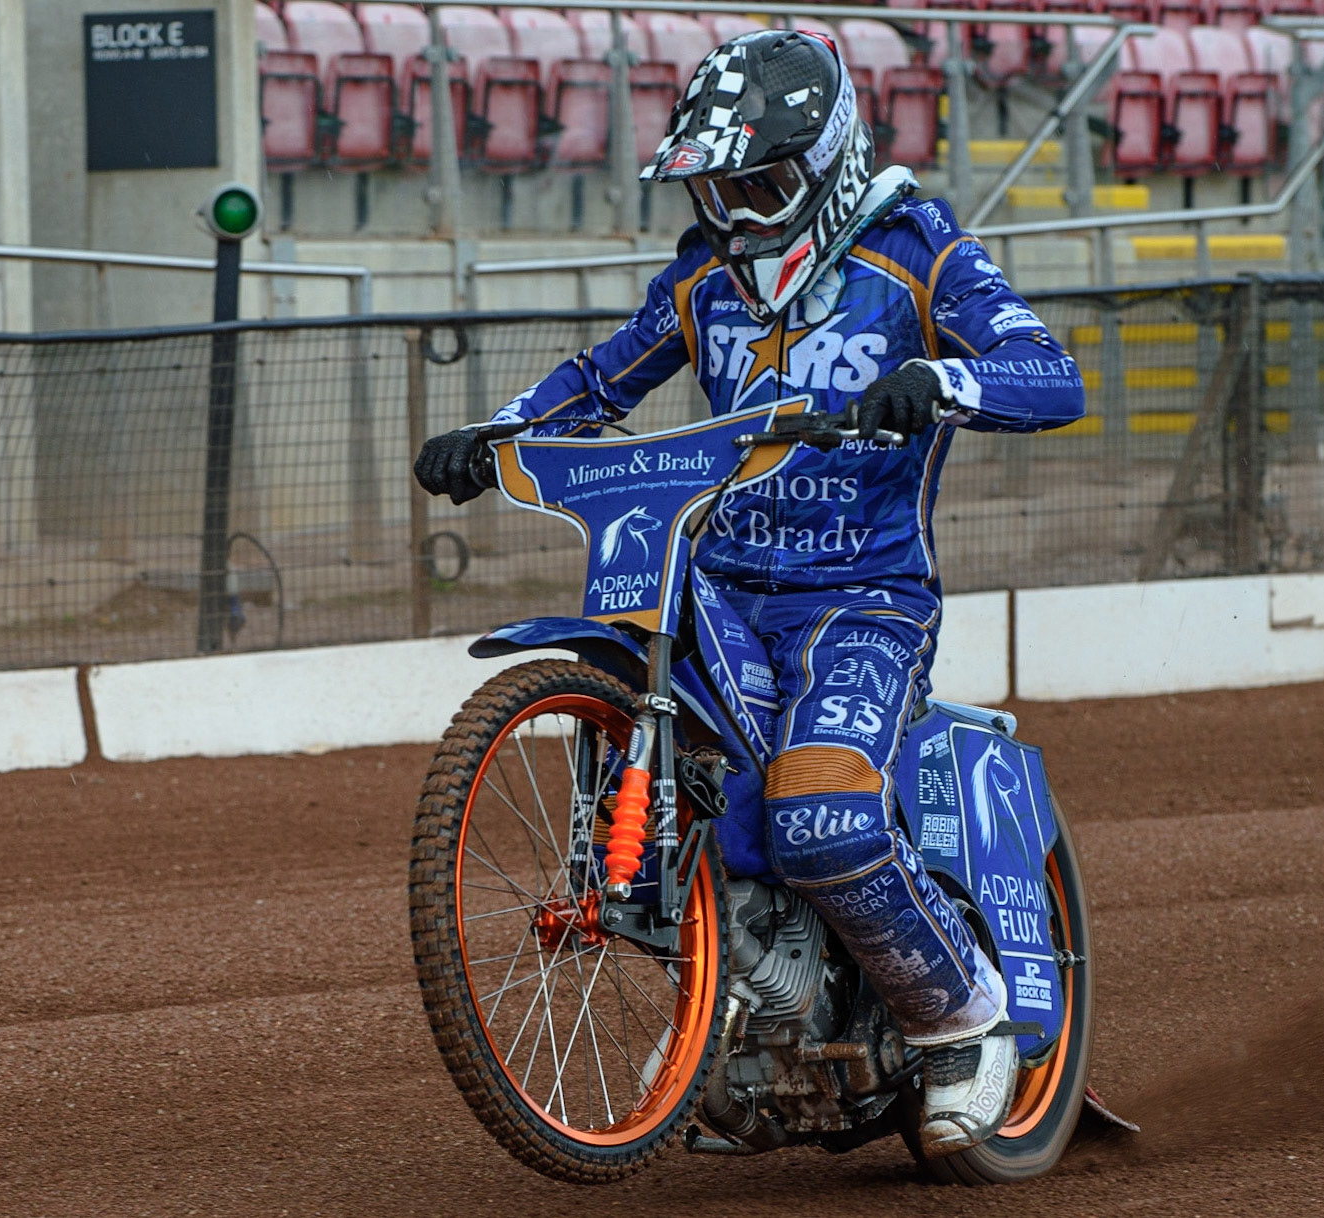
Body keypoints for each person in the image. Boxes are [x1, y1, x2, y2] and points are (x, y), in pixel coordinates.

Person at [415, 29, 1084, 1154]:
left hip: (861, 596)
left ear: (823, 165)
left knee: (819, 816)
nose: (737, 211)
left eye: (760, 183)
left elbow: (1050, 374)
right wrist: (496, 434)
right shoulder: (703, 277)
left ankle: (964, 1020)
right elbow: (599, 380)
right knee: (678, 792)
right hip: (717, 579)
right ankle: (735, 1006)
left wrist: (941, 378)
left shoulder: (916, 253)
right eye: (718, 187)